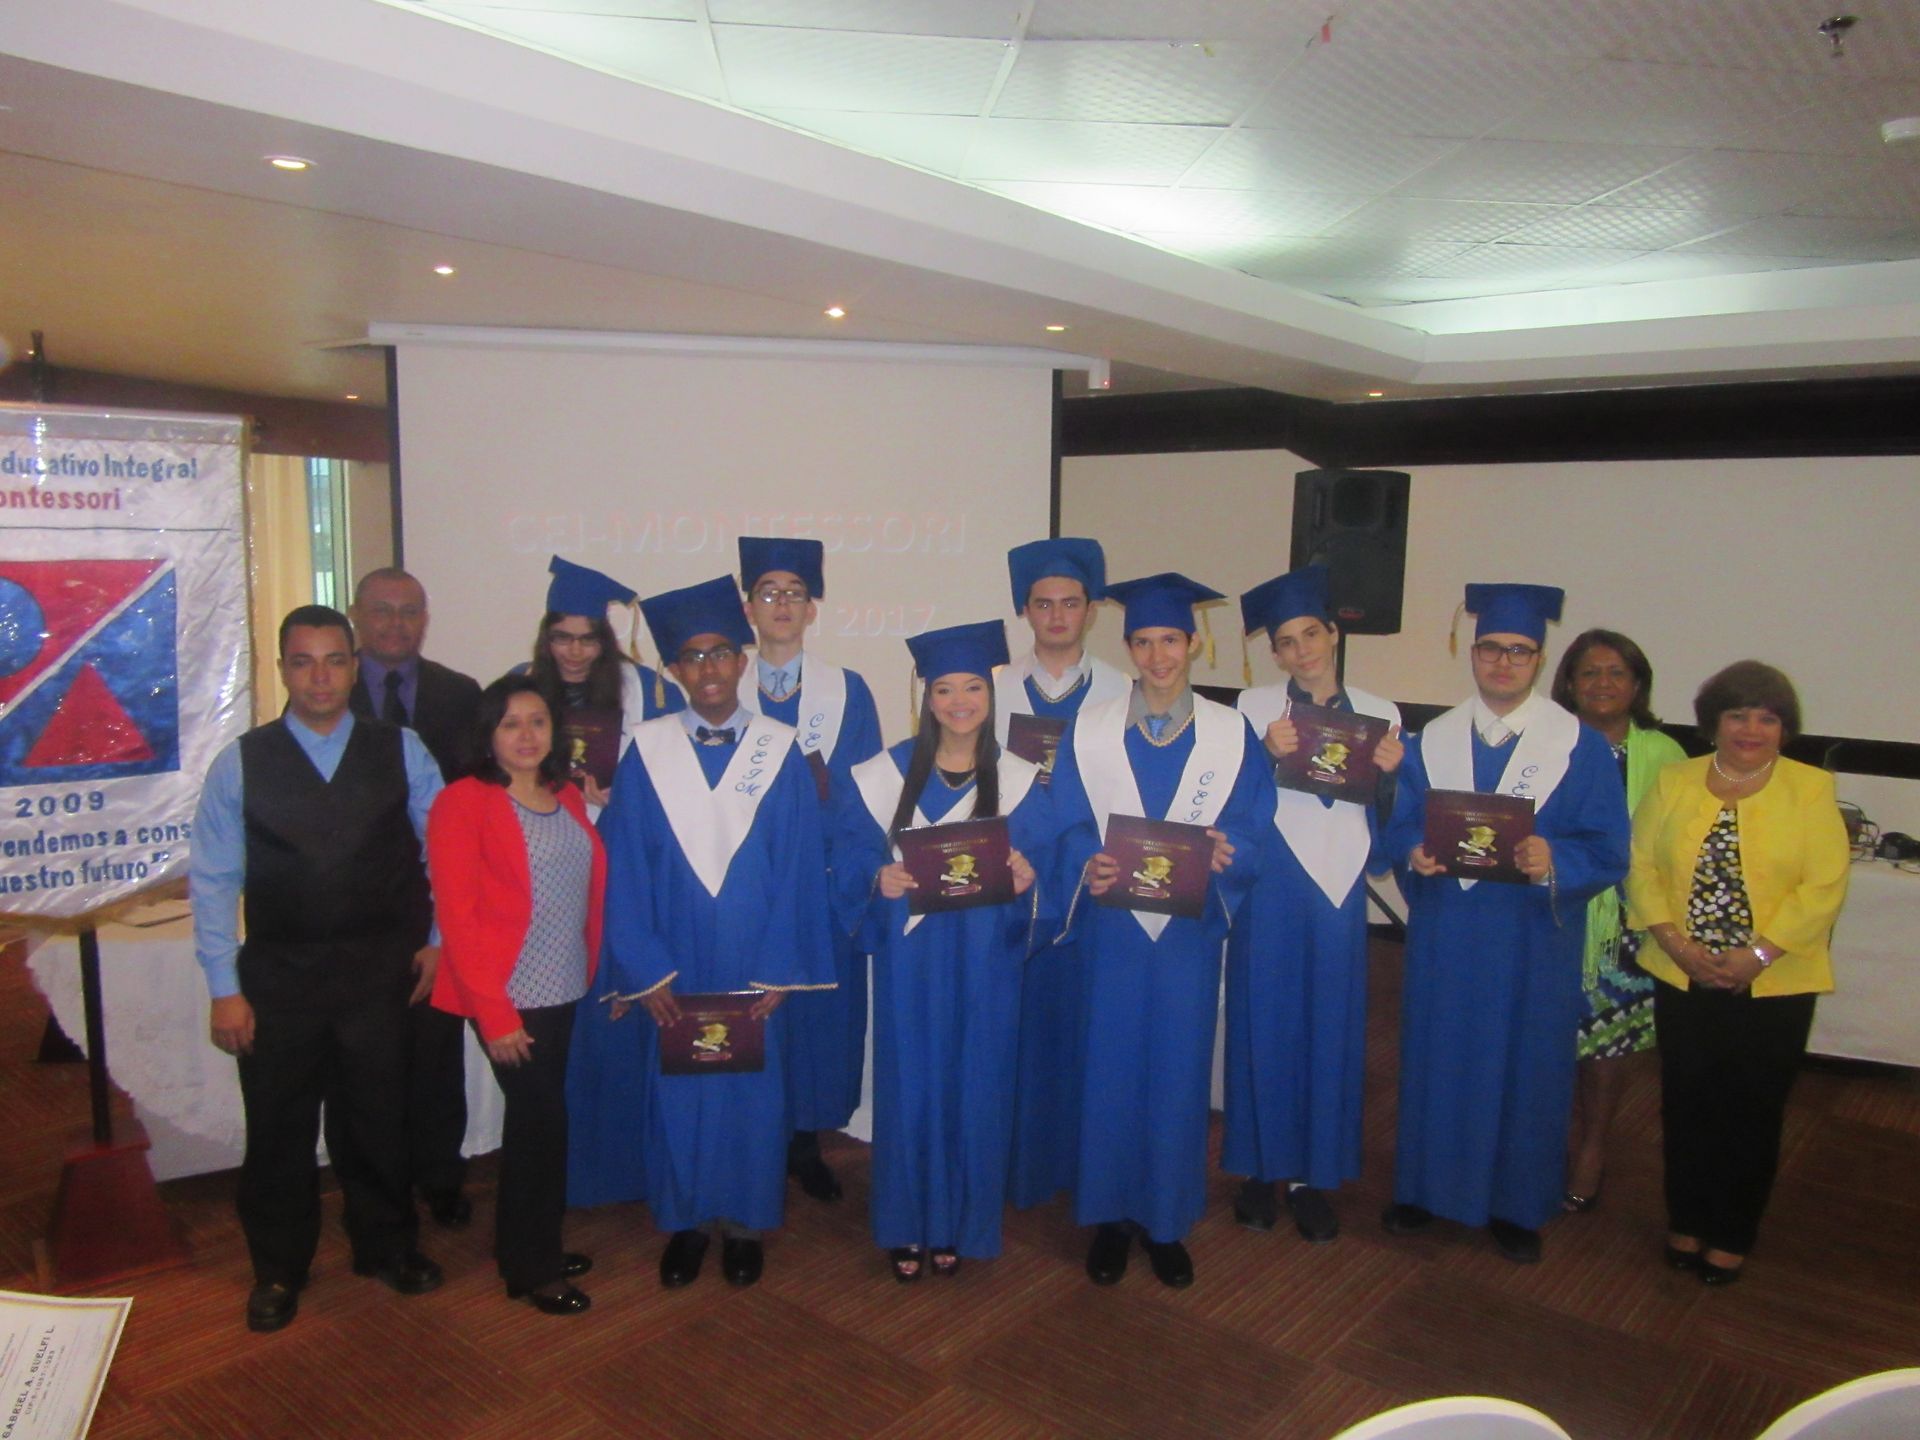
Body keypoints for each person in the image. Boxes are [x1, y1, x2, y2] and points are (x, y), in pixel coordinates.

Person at [571, 574, 834, 1289]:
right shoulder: (645, 751)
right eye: (693, 657)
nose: (710, 668)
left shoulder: (778, 752)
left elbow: (800, 867)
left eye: (722, 653)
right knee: (681, 1091)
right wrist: (646, 970)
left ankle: (746, 1223)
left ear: (743, 662)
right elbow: (622, 869)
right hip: (677, 961)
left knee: (752, 1094)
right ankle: (686, 1222)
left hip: (755, 961)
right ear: (674, 671)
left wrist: (782, 968)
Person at [189, 604, 445, 1333]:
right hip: (279, 978)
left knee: (378, 1121)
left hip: (379, 972)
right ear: (282, 670)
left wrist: (438, 937)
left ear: (355, 664)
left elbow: (443, 852)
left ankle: (387, 1246)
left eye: (334, 660)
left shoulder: (402, 749)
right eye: (303, 661)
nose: (320, 676)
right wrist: (223, 989)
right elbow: (212, 881)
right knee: (278, 1129)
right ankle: (278, 1267)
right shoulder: (242, 761)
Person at [1380, 583, 1630, 1264]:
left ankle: (1516, 1203)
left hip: (1530, 938)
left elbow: (1610, 850)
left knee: (1526, 1067)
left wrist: (1559, 858)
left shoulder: (1578, 748)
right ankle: (1424, 1189)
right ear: (1473, 652)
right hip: (1449, 931)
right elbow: (1402, 825)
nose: (1502, 663)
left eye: (1519, 652)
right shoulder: (1433, 739)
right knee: (1438, 1055)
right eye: (1490, 648)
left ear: (1539, 659)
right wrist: (1414, 853)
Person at [1046, 573, 1274, 1288]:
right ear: (1129, 648)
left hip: (1185, 931)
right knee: (1109, 1067)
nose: (1157, 656)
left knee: (1177, 1072)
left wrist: (1232, 855)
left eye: (1169, 640)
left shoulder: (1231, 735)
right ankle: (1111, 1216)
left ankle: (1166, 1220)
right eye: (1142, 642)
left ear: (1193, 643)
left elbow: (1251, 821)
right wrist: (1087, 863)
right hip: (1113, 929)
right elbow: (1065, 820)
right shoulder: (1091, 728)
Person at [835, 620, 1053, 1281]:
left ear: (991, 694)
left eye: (973, 688)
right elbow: (844, 855)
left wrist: (1028, 877)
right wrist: (877, 877)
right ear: (927, 698)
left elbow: (1048, 861)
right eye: (945, 689)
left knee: (977, 1085)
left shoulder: (1021, 778)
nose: (960, 701)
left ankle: (963, 1222)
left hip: (985, 959)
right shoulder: (881, 774)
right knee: (910, 1087)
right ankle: (905, 1224)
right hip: (911, 959)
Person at [1625, 661, 1849, 1286]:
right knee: (1686, 1101)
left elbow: (1823, 886)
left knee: (1751, 1109)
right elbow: (1640, 867)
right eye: (1738, 715)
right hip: (1683, 970)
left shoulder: (1809, 789)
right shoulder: (1675, 780)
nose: (1752, 728)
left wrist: (1757, 956)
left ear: (1784, 727)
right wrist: (1676, 944)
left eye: (1767, 717)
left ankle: (1731, 1232)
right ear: (1713, 723)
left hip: (1774, 981)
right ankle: (1687, 1218)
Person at [1224, 565, 1403, 1244]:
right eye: (1287, 643)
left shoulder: (1381, 714)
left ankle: (1310, 1177)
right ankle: (1258, 1171)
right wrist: (1265, 759)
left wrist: (1391, 777)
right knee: (1262, 1022)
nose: (1302, 651)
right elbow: (1233, 805)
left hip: (1339, 883)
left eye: (1311, 635)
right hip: (1271, 880)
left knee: (1328, 1028)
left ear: (1334, 633)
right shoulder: (1250, 711)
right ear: (1274, 654)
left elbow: (1393, 817)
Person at [427, 677, 605, 1315]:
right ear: (488, 734)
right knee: (539, 1126)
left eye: (537, 721)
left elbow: (582, 891)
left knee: (544, 1123)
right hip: (505, 997)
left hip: (563, 988)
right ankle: (531, 1269)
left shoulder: (567, 798)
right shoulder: (462, 803)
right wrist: (495, 1016)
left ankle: (530, 1247)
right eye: (510, 724)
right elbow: (459, 918)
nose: (526, 735)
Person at [735, 536, 884, 1204]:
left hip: (825, 889)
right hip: (745, 892)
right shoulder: (717, 689)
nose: (783, 605)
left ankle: (805, 1144)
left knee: (818, 1025)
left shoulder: (847, 693)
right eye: (769, 592)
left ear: (813, 608)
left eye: (795, 593)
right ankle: (752, 1145)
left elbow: (864, 799)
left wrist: (847, 884)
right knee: (753, 1019)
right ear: (749, 607)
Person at [995, 538, 1131, 1212]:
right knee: (1010, 1031)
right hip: (1011, 890)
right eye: (1043, 603)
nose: (1056, 615)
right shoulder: (987, 689)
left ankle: (1080, 1166)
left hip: (1092, 890)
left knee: (1084, 1031)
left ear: (1090, 610)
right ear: (1026, 610)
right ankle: (1009, 1164)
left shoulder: (1122, 692)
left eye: (1070, 603)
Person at [346, 566, 484, 1231]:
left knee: (436, 1054)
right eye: (381, 610)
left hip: (439, 905)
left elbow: (476, 804)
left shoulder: (461, 696)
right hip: (356, 912)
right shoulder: (328, 695)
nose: (395, 624)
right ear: (356, 616)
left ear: (424, 620)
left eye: (408, 612)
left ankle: (441, 1175)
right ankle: (380, 1189)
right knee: (366, 1062)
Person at [1549, 629, 1687, 1214]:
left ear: (1637, 685)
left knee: (1609, 1045)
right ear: (1571, 684)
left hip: (1629, 925)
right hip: (1551, 911)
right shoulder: (1546, 742)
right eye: (1590, 672)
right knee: (1547, 1038)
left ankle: (1594, 1147)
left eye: (1617, 674)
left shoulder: (1668, 756)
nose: (1603, 684)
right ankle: (1540, 1144)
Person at [524, 555, 684, 809]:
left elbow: (677, 770)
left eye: (588, 640)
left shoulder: (649, 691)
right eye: (562, 638)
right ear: (546, 638)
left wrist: (627, 794)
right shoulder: (518, 685)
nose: (575, 652)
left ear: (604, 639)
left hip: (620, 829)